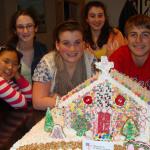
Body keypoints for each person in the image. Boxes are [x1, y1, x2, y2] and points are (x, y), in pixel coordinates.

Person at [32, 20, 96, 110]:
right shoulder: (47, 63)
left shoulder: (91, 62)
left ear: (83, 44)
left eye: (77, 42)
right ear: (57, 45)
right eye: (66, 43)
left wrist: (56, 99)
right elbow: (38, 102)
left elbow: (98, 98)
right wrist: (77, 102)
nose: (72, 49)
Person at [0, 45, 32, 149]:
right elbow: (21, 103)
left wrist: (16, 74)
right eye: (6, 61)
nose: (10, 67)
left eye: (14, 64)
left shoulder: (7, 81)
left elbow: (29, 97)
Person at [109, 14, 150, 90]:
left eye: (145, 35)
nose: (138, 40)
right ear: (126, 40)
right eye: (133, 35)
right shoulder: (118, 58)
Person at [7, 9, 48, 84]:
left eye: (29, 26)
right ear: (15, 31)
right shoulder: (6, 53)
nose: (25, 31)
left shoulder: (43, 50)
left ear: (36, 28)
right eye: (20, 27)